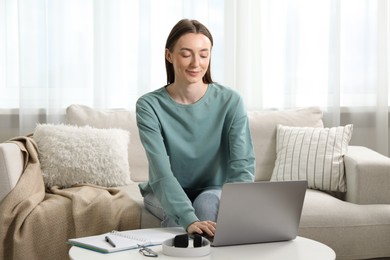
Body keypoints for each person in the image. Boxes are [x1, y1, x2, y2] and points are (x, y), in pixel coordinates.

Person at [136, 19, 255, 238]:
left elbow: (242, 165)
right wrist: (188, 218)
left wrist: (241, 210)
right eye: (186, 53)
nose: (196, 63)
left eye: (203, 54)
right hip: (164, 191)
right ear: (169, 55)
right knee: (178, 219)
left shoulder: (231, 101)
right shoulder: (149, 105)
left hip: (214, 189)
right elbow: (162, 173)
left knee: (207, 204)